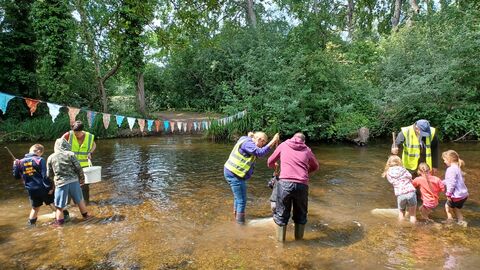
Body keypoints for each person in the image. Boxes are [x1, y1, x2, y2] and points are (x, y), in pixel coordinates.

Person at [267, 133, 319, 242]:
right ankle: (299, 243)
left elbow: (270, 162)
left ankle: (281, 245)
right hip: (302, 185)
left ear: (292, 138)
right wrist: (305, 172)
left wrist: (275, 168)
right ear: (303, 141)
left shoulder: (283, 145)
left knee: (281, 214)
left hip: (284, 183)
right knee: (301, 215)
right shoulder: (307, 150)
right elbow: (315, 166)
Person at [224, 131, 280, 224]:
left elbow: (255, 149)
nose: (263, 146)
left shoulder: (245, 139)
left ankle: (236, 218)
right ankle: (240, 224)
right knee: (242, 200)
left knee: (238, 198)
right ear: (259, 140)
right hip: (234, 174)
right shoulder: (248, 144)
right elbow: (260, 152)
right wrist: (273, 141)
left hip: (231, 172)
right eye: (263, 143)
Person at [12, 144, 68, 226]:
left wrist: (15, 166)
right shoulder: (39, 160)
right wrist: (50, 187)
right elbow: (45, 176)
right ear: (38, 151)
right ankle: (63, 221)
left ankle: (31, 225)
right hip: (43, 187)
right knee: (55, 205)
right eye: (41, 153)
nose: (41, 155)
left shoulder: (20, 162)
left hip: (31, 189)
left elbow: (16, 176)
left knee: (35, 208)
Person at [47, 138, 92, 226]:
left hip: (61, 183)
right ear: (66, 145)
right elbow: (78, 168)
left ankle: (59, 223)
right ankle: (86, 216)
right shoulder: (70, 154)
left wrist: (52, 184)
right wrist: (81, 179)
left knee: (60, 206)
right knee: (80, 200)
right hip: (74, 181)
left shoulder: (51, 157)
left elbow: (49, 174)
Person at [62, 120, 96, 204]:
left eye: (77, 133)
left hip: (84, 165)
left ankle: (86, 202)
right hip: (70, 165)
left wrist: (90, 152)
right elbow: (59, 143)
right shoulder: (68, 135)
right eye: (74, 132)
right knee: (69, 184)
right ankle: (68, 204)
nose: (76, 134)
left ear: (82, 131)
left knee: (85, 185)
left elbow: (94, 144)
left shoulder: (89, 136)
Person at [382, 155, 417, 224]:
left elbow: (391, 181)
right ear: (399, 162)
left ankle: (400, 228)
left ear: (389, 163)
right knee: (412, 215)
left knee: (401, 214)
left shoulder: (388, 172)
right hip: (411, 192)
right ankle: (413, 230)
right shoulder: (403, 169)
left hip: (400, 194)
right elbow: (410, 177)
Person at [442, 150, 468, 227]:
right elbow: (452, 180)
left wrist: (448, 194)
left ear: (449, 159)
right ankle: (461, 221)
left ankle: (450, 221)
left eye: (445, 160)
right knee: (456, 208)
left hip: (456, 195)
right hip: (463, 195)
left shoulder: (450, 169)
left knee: (447, 206)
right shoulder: (457, 167)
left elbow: (451, 183)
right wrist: (441, 182)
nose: (444, 161)